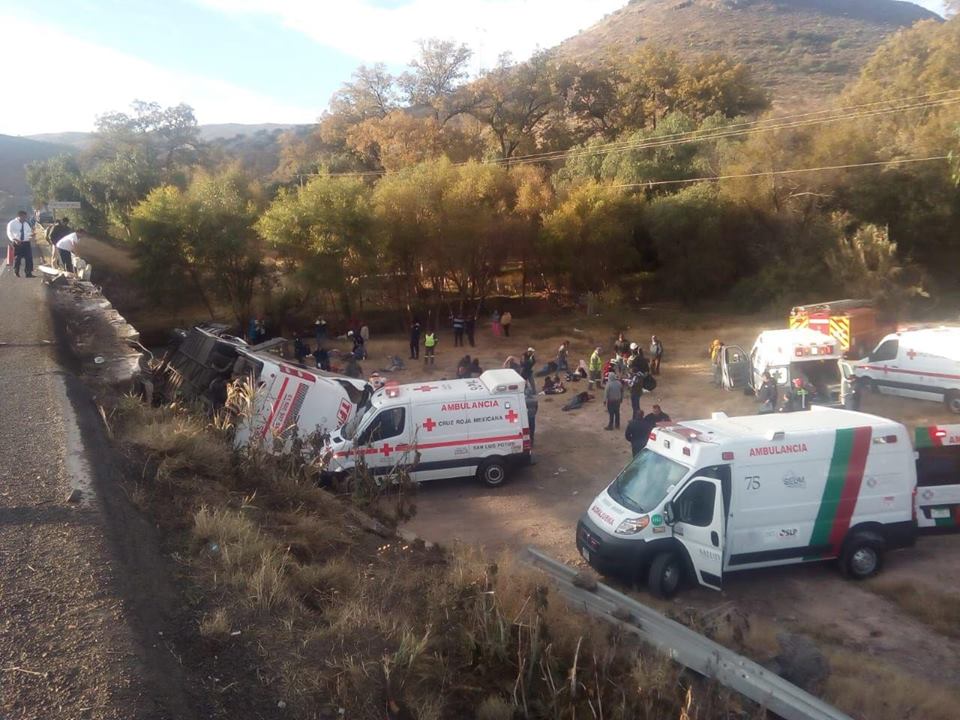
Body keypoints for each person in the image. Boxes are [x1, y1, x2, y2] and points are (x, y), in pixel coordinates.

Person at [7, 210, 36, 277]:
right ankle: (16, 271)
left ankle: (28, 273)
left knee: (29, 258)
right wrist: (14, 239)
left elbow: (28, 232)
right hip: (17, 243)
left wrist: (31, 235)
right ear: (19, 216)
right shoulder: (12, 223)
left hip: (26, 242)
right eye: (23, 217)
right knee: (18, 258)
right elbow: (9, 233)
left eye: (25, 217)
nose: (24, 219)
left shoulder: (26, 224)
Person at [525, 381, 539, 451]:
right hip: (532, 416)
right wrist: (534, 413)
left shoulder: (524, 400)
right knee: (532, 429)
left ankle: (528, 442)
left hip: (526, 416)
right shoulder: (535, 400)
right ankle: (532, 442)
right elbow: (536, 408)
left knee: (526, 430)